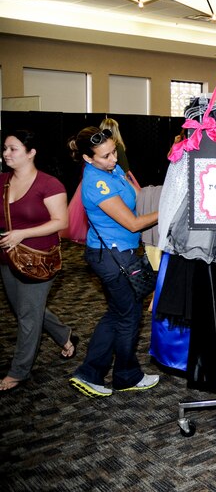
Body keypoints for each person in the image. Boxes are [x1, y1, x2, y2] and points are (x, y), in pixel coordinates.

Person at [68, 127, 159, 398]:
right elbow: (132, 223)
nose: (113, 159)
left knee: (117, 313)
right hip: (112, 258)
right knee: (129, 316)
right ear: (87, 158)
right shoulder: (97, 183)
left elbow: (137, 198)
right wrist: (168, 209)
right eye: (105, 156)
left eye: (113, 152)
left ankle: (90, 372)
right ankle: (125, 376)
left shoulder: (112, 170)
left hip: (121, 253)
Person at [0, 130, 75, 392]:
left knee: (28, 317)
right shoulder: (2, 181)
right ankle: (63, 334)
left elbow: (61, 222)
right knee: (27, 309)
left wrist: (23, 233)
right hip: (7, 257)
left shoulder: (49, 184)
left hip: (39, 259)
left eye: (13, 149)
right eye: (5, 149)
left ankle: (18, 371)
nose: (6, 153)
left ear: (31, 153)